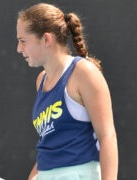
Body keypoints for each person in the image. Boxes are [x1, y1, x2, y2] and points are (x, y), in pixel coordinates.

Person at [16, 3, 118, 180]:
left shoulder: (84, 72)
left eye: (23, 41)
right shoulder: (41, 80)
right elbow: (50, 143)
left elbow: (107, 136)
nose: (19, 48)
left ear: (46, 39)